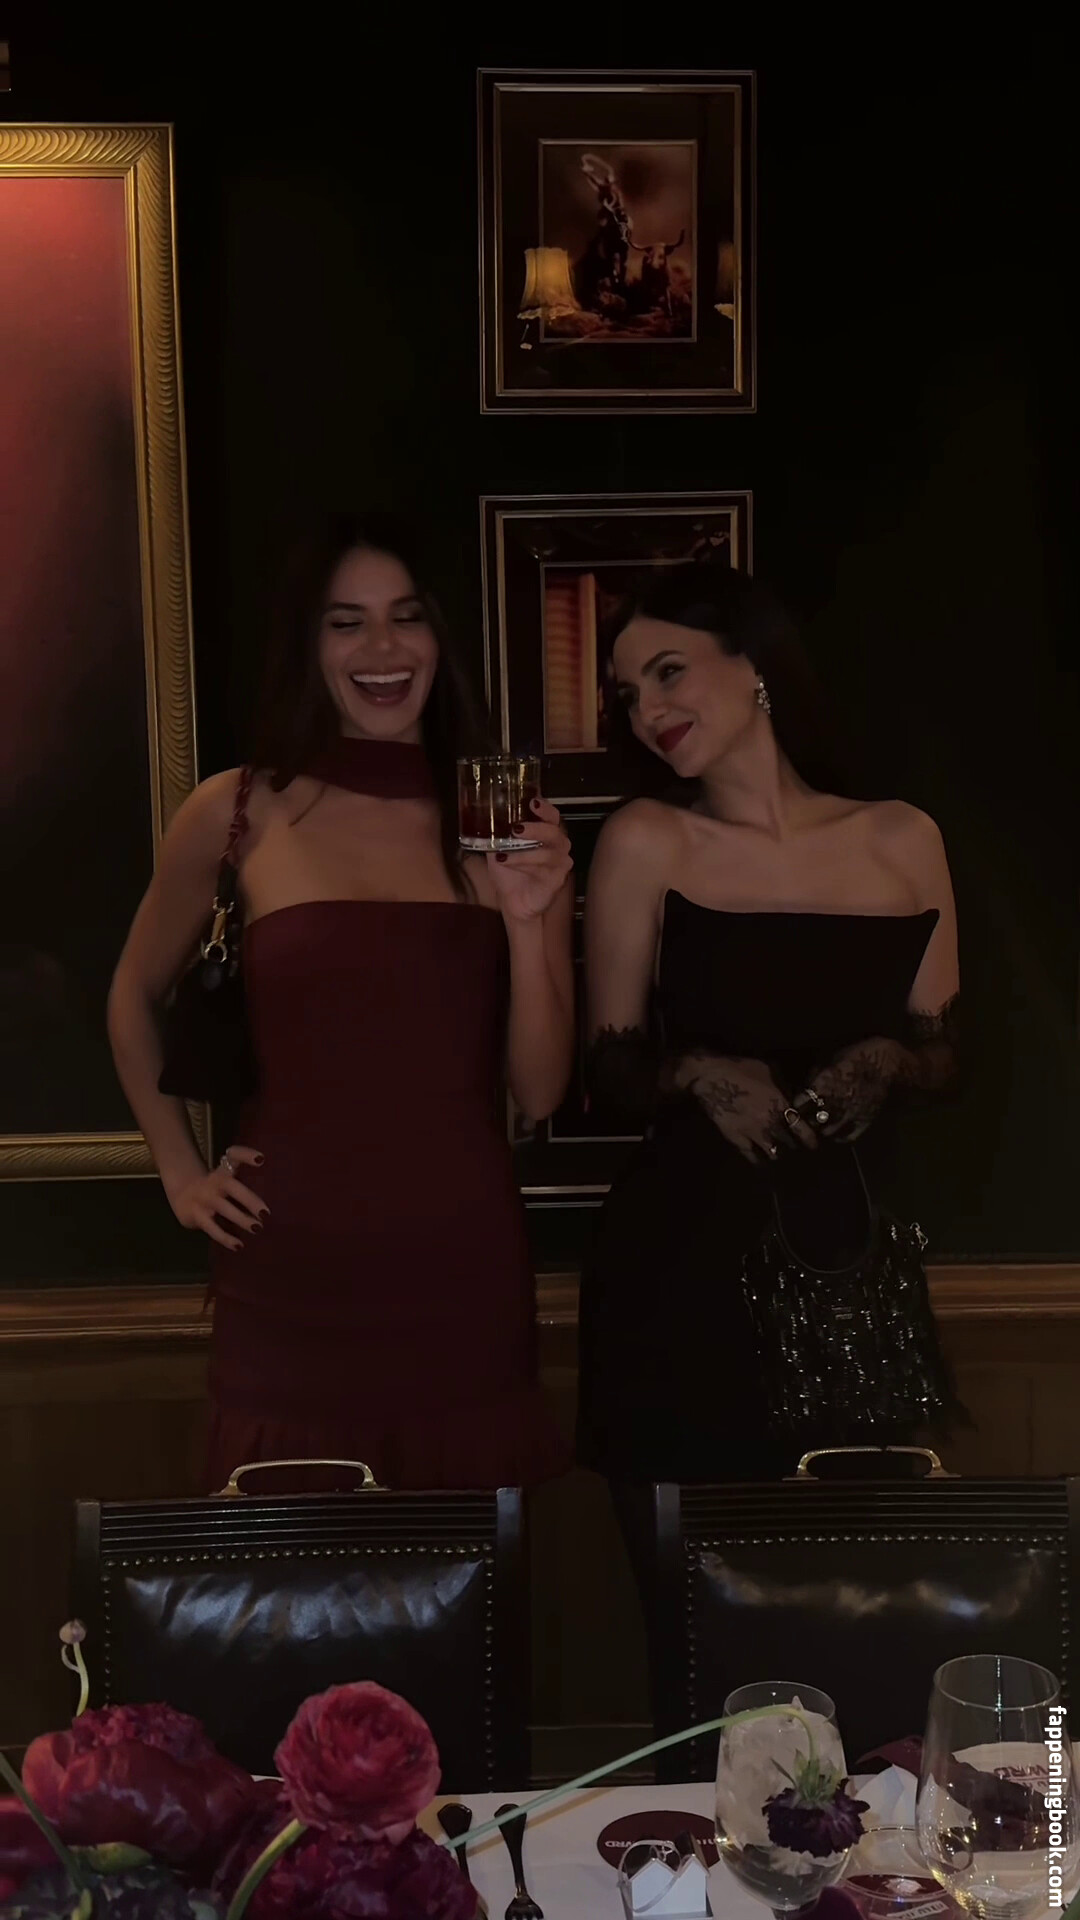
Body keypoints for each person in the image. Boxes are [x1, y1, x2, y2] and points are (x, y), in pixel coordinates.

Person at [109, 512, 574, 1490]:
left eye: (406, 616)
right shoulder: (238, 809)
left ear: (439, 636)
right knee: (291, 1568)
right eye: (346, 622)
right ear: (307, 645)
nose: (382, 648)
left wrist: (530, 920)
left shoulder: (502, 821)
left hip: (461, 1267)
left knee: (466, 1568)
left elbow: (537, 1092)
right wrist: (181, 1176)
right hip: (289, 1273)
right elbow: (132, 995)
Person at [577, 563, 959, 1595]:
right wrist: (701, 1071)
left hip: (852, 1277)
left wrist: (887, 1059)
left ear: (754, 663)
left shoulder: (902, 835)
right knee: (695, 1635)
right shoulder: (646, 837)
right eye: (628, 693)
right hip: (681, 1277)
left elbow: (943, 1055)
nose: (648, 710)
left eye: (668, 672)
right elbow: (609, 1063)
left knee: (872, 1624)